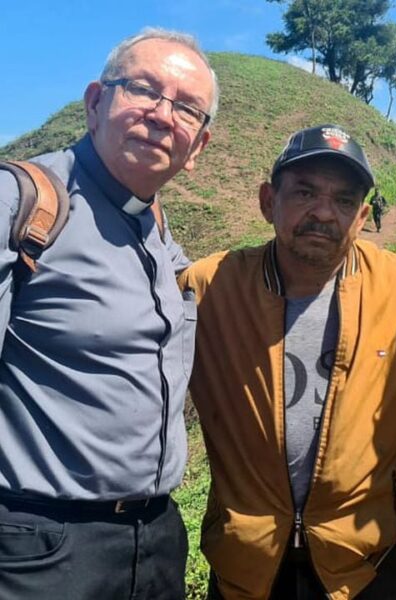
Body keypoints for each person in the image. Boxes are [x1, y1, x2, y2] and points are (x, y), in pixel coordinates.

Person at [178, 124, 396, 599]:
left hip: (365, 564)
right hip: (247, 564)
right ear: (268, 201)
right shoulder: (208, 289)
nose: (324, 212)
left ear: (362, 216)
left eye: (344, 201)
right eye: (304, 192)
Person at [0, 28, 217, 599]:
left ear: (198, 148)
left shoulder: (156, 229)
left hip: (156, 540)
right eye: (143, 89)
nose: (162, 114)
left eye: (187, 109)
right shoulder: (22, 205)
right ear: (96, 102)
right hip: (43, 550)